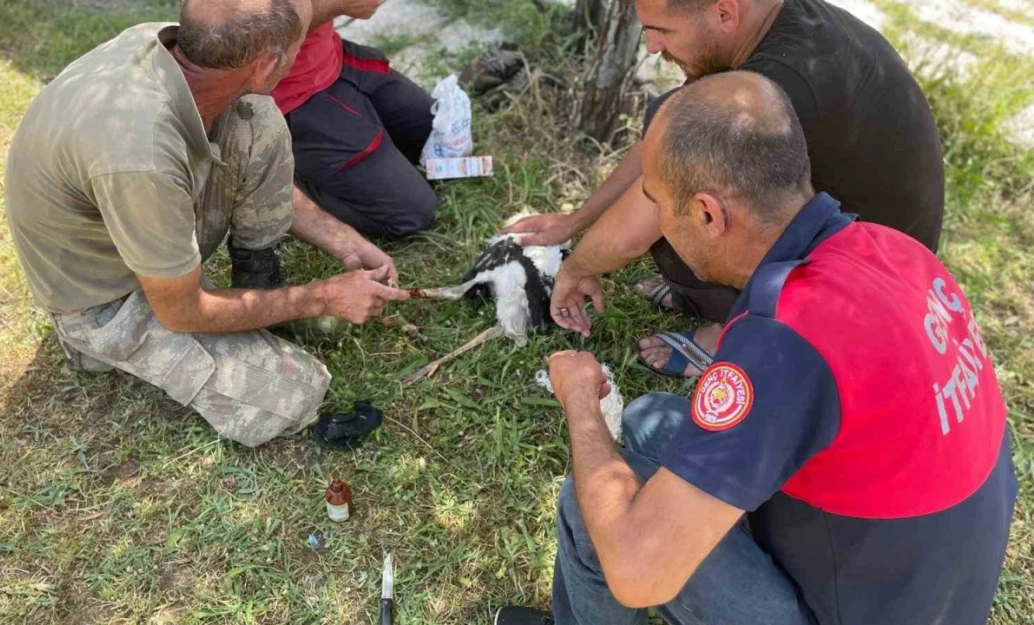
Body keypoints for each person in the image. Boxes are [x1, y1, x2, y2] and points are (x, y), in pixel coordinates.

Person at [494, 72, 1015, 625]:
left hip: (849, 605)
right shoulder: (893, 250)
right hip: (924, 588)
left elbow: (634, 570)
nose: (660, 228)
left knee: (596, 500)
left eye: (658, 206)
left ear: (707, 214)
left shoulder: (784, 336)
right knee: (653, 422)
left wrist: (580, 401)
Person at [5, 0, 410, 448]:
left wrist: (342, 238)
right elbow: (180, 311)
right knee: (294, 392)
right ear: (268, 64)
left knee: (258, 120)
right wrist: (320, 297)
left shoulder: (175, 49)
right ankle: (89, 346)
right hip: (103, 298)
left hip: (136, 223)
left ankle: (259, 280)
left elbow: (236, 148)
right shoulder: (143, 155)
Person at [506, 0, 945, 378]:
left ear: (723, 13)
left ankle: (728, 331)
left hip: (869, 297)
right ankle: (722, 302)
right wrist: (577, 220)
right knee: (674, 139)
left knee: (680, 207)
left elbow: (634, 228)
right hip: (873, 248)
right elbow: (666, 140)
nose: (652, 47)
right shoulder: (765, 21)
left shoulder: (783, 81)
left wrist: (579, 268)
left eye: (661, 30)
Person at [271, 0, 438, 238]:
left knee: (438, 142)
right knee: (413, 215)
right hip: (289, 99)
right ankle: (272, 182)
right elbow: (247, 33)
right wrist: (334, 6)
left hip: (333, 58)